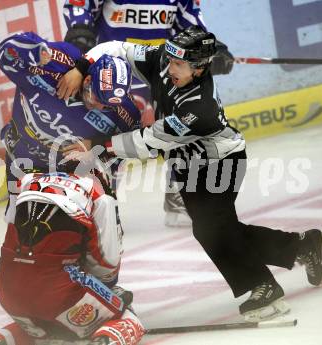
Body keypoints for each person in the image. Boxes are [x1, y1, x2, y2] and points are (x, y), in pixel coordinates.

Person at [55, 26, 322, 321]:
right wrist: (80, 67)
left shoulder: (199, 109)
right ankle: (305, 245)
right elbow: (116, 47)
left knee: (213, 229)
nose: (171, 67)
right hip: (187, 165)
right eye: (171, 60)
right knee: (221, 230)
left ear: (200, 69)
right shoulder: (164, 59)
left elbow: (149, 140)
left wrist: (98, 146)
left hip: (220, 163)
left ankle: (263, 286)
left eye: (180, 65)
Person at [62, 0, 234, 227]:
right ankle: (96, 203)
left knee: (185, 130)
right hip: (111, 72)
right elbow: (79, 5)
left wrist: (207, 52)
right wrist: (79, 30)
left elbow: (189, 26)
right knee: (105, 138)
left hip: (160, 70)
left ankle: (182, 195)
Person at [0, 172, 145, 345]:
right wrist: (108, 293)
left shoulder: (26, 180)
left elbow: (12, 227)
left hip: (7, 287)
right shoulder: (96, 192)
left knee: (46, 331)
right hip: (57, 291)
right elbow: (106, 265)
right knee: (126, 317)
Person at [0, 31, 141, 223]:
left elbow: (129, 147)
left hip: (74, 169)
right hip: (24, 155)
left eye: (109, 105)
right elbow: (8, 53)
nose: (101, 107)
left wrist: (97, 146)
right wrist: (35, 51)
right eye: (99, 98)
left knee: (99, 222)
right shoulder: (61, 61)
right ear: (87, 80)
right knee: (15, 220)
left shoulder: (126, 113)